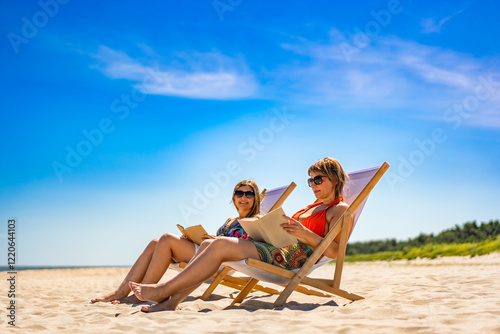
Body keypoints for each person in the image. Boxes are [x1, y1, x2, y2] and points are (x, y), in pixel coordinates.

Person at [129, 157, 352, 312]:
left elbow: (334, 251)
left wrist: (304, 233)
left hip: (291, 258)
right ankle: (171, 302)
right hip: (276, 246)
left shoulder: (340, 210)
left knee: (218, 246)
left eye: (318, 179)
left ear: (334, 179)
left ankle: (163, 291)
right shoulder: (309, 207)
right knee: (208, 246)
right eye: (310, 180)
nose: (313, 185)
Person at [91, 180, 261, 304]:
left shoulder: (256, 219)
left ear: (255, 199)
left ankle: (142, 293)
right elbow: (219, 239)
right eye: (239, 193)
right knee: (154, 242)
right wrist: (197, 238)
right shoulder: (231, 219)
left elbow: (245, 245)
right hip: (207, 249)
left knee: (166, 239)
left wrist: (217, 241)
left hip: (221, 260)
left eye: (248, 194)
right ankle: (121, 291)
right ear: (234, 197)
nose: (243, 197)